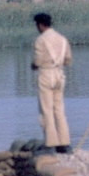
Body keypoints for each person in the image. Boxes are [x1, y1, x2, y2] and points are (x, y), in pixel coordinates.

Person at [31, 12, 72, 153]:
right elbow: (68, 60)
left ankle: (50, 143)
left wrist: (34, 66)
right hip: (60, 75)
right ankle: (64, 143)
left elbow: (37, 61)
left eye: (37, 25)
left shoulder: (40, 40)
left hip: (46, 75)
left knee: (46, 110)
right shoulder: (62, 39)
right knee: (59, 110)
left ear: (41, 25)